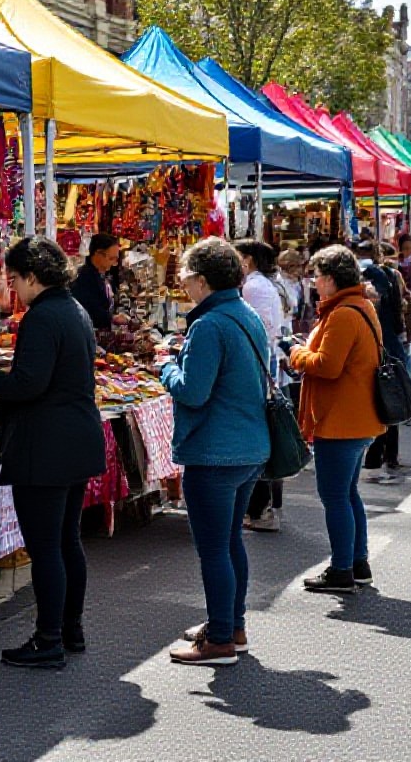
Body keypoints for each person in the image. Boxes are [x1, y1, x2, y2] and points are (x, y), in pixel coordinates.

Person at [0, 237, 105, 670]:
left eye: (15, 279)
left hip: (46, 446)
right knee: (66, 542)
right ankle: (70, 629)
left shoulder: (43, 316)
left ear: (31, 276)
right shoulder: (74, 309)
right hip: (75, 438)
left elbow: (29, 384)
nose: (14, 288)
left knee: (46, 547)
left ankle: (48, 639)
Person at [160, 238, 270, 665]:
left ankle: (221, 638)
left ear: (202, 280)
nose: (183, 283)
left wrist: (167, 367)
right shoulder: (245, 315)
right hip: (247, 448)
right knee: (229, 544)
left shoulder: (209, 325)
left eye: (185, 275)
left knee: (215, 550)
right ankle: (231, 625)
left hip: (215, 452)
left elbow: (193, 391)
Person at [286, 245, 387, 594]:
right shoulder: (359, 306)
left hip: (342, 419)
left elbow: (328, 367)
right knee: (347, 493)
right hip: (355, 417)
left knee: (335, 496)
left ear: (329, 278)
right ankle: (357, 562)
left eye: (316, 275)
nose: (313, 282)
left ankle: (342, 568)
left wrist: (296, 353)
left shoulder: (344, 312)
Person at [234, 240, 285, 534]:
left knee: (257, 435)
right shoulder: (266, 284)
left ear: (249, 260)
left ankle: (259, 506)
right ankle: (265, 504)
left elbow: (253, 330)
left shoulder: (253, 287)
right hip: (266, 363)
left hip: (258, 364)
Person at [355, 241, 406, 483]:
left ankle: (376, 456)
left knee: (380, 400)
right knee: (389, 398)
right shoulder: (392, 275)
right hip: (391, 342)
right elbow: (398, 310)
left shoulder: (371, 276)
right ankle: (389, 454)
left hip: (378, 344)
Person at [70, 233, 127, 333]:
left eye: (116, 259)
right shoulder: (84, 278)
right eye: (111, 258)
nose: (113, 263)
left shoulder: (104, 274)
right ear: (98, 254)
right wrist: (112, 318)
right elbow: (89, 310)